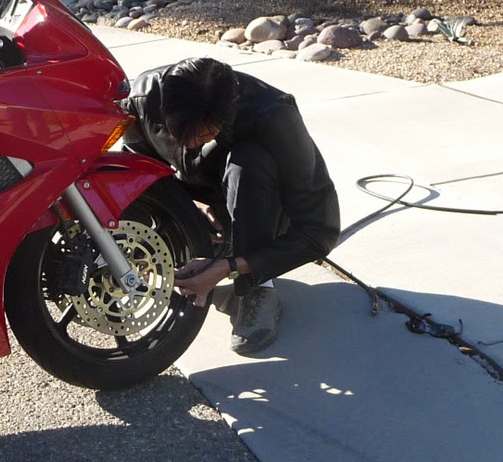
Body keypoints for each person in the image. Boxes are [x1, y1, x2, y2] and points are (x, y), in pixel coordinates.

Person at [120, 56, 340, 355]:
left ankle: (258, 290)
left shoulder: (274, 116)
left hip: (266, 212)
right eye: (176, 133)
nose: (190, 145)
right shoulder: (141, 101)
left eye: (203, 134)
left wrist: (231, 268)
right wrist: (187, 213)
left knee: (248, 162)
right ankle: (210, 245)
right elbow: (141, 172)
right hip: (211, 206)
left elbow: (319, 231)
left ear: (227, 115)